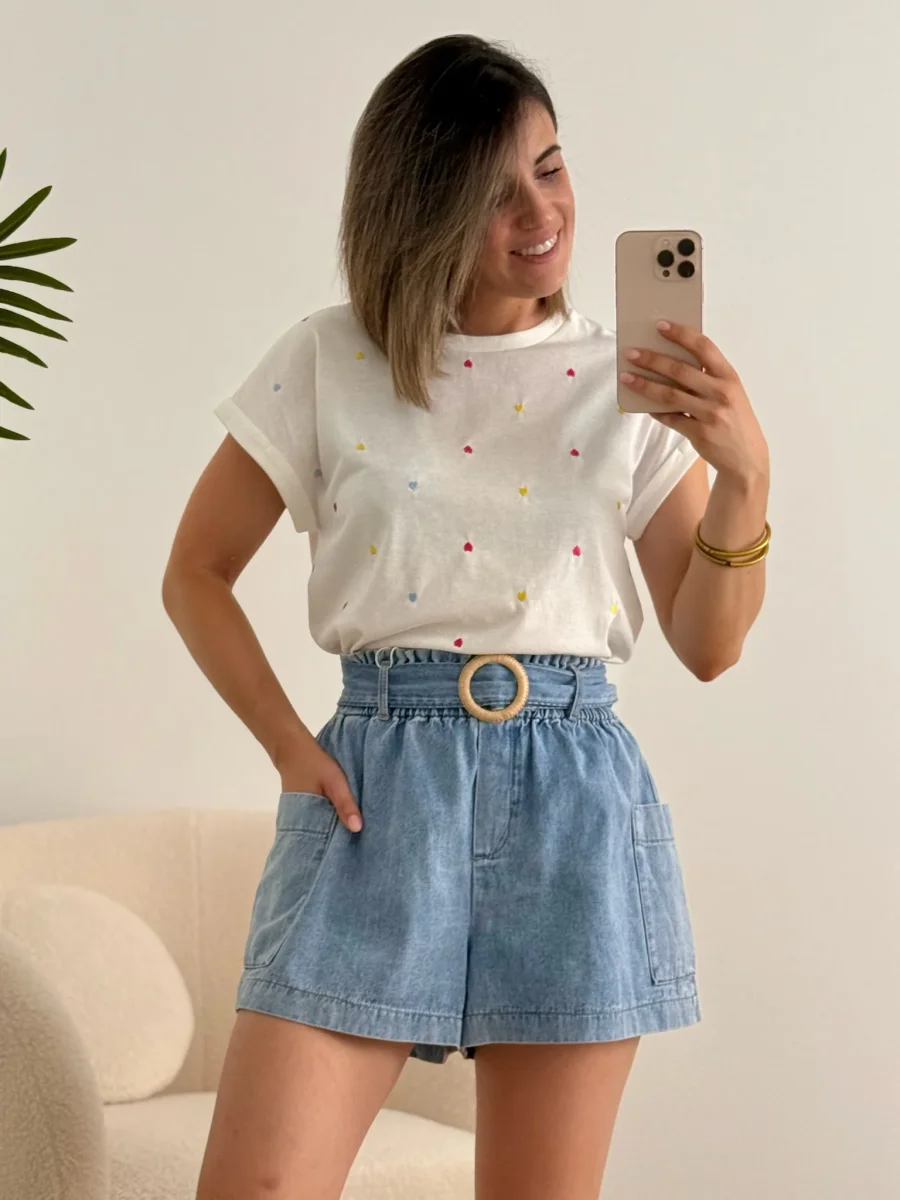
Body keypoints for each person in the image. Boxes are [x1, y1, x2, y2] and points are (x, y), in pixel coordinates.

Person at [162, 33, 770, 1200]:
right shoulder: (328, 357)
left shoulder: (628, 380)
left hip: (571, 796)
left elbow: (709, 644)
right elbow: (196, 570)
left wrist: (745, 478)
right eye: (493, 192)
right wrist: (289, 748)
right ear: (420, 210)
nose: (541, 213)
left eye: (550, 165)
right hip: (376, 791)